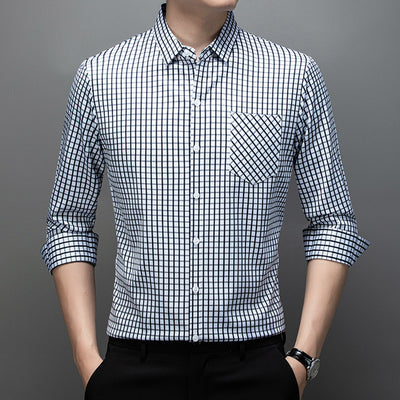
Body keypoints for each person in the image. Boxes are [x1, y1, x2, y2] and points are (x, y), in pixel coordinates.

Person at [40, 1, 370, 399]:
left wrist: (302, 359)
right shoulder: (101, 77)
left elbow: (333, 221)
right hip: (136, 366)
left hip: (254, 367)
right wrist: (86, 361)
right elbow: (69, 223)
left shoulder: (293, 75)